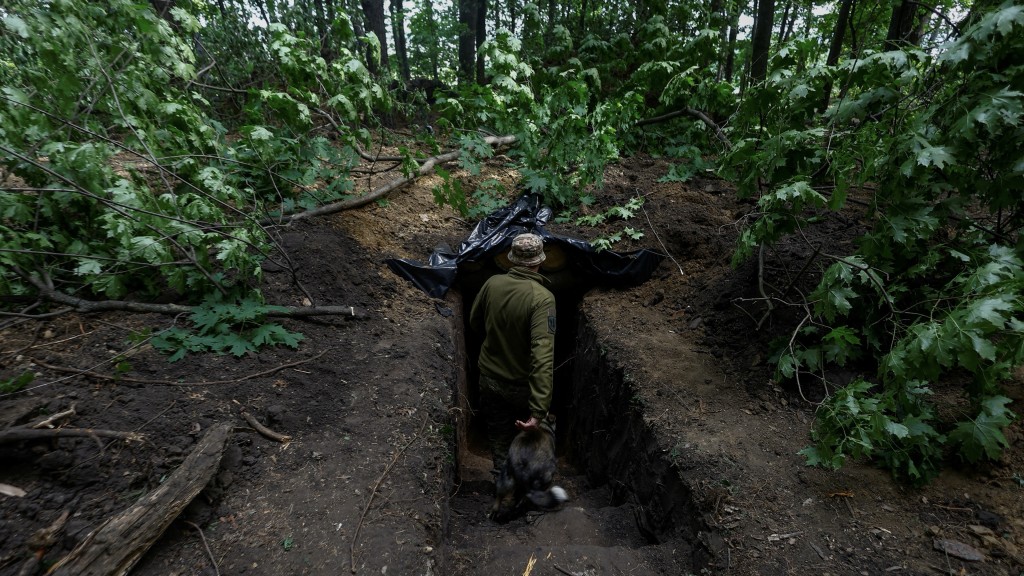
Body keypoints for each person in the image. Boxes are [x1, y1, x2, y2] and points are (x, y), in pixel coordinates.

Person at [470, 233, 557, 472]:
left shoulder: (491, 284)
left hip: (489, 379)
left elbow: (475, 322)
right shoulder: (542, 299)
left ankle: (501, 482)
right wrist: (539, 409)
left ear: (511, 259)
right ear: (539, 260)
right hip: (522, 386)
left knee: (499, 436)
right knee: (531, 441)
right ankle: (526, 492)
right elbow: (543, 355)